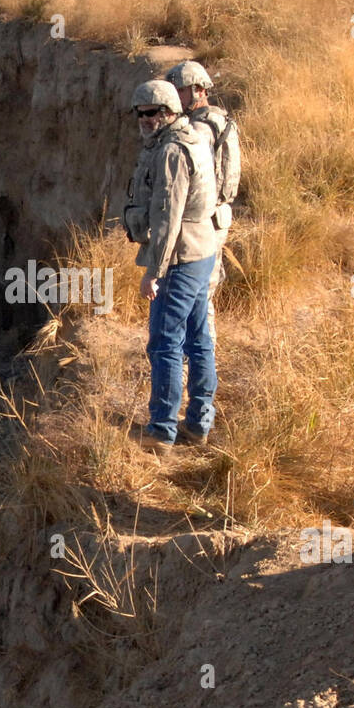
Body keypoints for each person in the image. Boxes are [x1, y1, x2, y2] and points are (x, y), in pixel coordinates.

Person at [121, 80, 217, 454]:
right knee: (198, 340)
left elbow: (167, 217)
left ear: (164, 113)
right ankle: (198, 423)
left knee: (164, 343)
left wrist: (153, 272)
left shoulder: (171, 152)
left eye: (146, 114)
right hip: (202, 251)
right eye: (138, 114)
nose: (141, 121)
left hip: (179, 258)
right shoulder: (192, 136)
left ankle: (162, 431)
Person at [165, 60, 242, 344]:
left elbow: (195, 180)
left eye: (180, 90)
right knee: (201, 292)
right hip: (216, 217)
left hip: (203, 222)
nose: (175, 97)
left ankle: (196, 361)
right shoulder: (220, 120)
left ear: (199, 90)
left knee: (195, 295)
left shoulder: (200, 130)